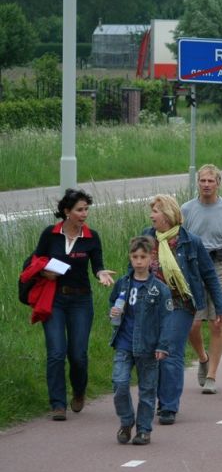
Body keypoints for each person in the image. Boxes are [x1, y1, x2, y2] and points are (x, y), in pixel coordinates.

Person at [143, 194, 222, 425]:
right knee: (152, 353)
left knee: (170, 351)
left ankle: (169, 406)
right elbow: (134, 267)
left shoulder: (190, 241)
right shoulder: (147, 237)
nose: (151, 216)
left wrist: (219, 307)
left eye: (155, 211)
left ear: (167, 215)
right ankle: (159, 399)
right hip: (150, 305)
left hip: (180, 304)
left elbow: (209, 275)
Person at [34, 189, 116, 420]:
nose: (84, 214)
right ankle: (58, 404)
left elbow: (97, 265)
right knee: (56, 353)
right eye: (79, 210)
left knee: (78, 354)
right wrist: (44, 272)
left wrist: (101, 273)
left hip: (81, 301)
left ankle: (79, 391)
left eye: (86, 209)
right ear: (67, 211)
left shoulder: (92, 237)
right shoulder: (50, 234)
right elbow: (35, 260)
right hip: (55, 300)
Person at [181, 164, 222, 394]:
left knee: (217, 322)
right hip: (194, 268)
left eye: (211, 181)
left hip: (220, 266)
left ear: (218, 183)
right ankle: (202, 357)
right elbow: (178, 242)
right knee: (192, 323)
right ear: (197, 183)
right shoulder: (186, 209)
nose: (206, 185)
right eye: (203, 181)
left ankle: (212, 375)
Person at [109, 236, 172, 446]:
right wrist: (113, 312)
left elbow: (167, 320)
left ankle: (144, 429)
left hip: (148, 346)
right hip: (124, 343)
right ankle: (126, 421)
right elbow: (113, 303)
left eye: (143, 257)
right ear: (130, 257)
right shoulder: (123, 283)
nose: (138, 261)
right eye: (135, 256)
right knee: (119, 383)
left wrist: (163, 345)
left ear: (151, 258)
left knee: (147, 390)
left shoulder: (160, 289)